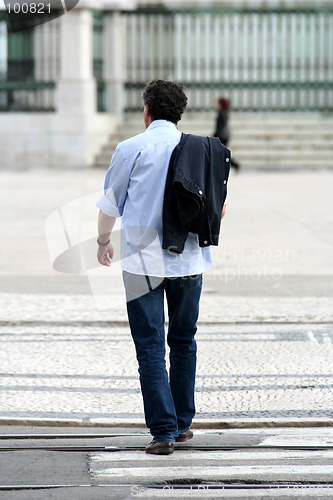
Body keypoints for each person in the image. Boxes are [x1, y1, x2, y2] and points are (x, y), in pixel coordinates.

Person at [96, 80, 227, 455]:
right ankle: (183, 424)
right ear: (181, 113)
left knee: (150, 346)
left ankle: (164, 432)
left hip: (141, 263)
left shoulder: (131, 148)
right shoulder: (203, 150)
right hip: (188, 261)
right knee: (184, 341)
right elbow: (217, 206)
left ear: (147, 111)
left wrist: (104, 243)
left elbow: (109, 206)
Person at [214, 97, 240, 171]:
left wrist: (215, 136)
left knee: (221, 154)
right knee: (221, 153)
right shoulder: (224, 113)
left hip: (221, 136)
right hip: (224, 135)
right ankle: (234, 165)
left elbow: (220, 127)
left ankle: (234, 165)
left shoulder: (222, 114)